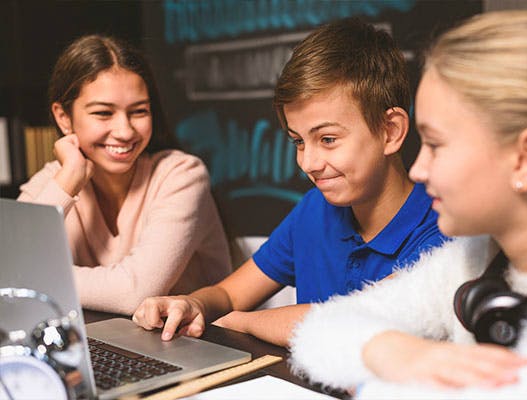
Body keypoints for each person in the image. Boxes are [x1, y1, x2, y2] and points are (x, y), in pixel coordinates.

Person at [289, 10, 527, 399]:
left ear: (526, 158)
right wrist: (396, 353)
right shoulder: (471, 257)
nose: (418, 170)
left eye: (435, 145)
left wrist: (374, 373)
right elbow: (321, 327)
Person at [132, 18, 446, 346]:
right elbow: (228, 293)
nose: (308, 163)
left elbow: (351, 321)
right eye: (298, 141)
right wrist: (192, 304)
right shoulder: (314, 209)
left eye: (327, 139)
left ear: (390, 131)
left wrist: (240, 321)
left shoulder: (442, 226)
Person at [18, 35, 232, 315]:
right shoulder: (57, 181)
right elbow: (12, 267)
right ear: (63, 118)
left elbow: (135, 293)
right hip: (106, 344)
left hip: (197, 345)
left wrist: (37, 278)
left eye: (139, 111)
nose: (125, 131)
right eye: (104, 113)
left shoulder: (182, 174)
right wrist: (69, 180)